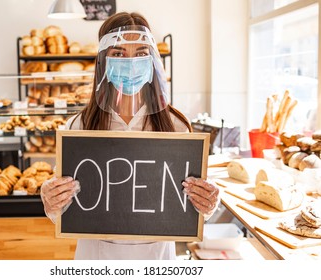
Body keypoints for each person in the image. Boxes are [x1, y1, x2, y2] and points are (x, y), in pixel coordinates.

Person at [41, 11, 220, 260]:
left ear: (152, 60)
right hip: (96, 257)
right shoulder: (79, 125)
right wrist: (51, 201)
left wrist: (207, 202)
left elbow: (191, 205)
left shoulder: (176, 125)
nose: (131, 62)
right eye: (118, 54)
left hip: (157, 258)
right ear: (103, 60)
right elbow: (63, 209)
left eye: (140, 53)